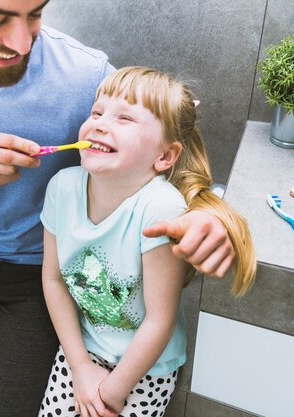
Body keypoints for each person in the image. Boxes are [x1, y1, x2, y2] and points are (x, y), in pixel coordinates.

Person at [0, 1, 244, 417]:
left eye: (34, 13)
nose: (21, 41)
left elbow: (163, 153)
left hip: (41, 275)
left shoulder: (86, 74)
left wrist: (209, 215)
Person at [38, 67, 255, 417]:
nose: (99, 123)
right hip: (84, 349)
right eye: (96, 112)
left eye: (125, 118)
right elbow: (53, 279)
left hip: (147, 367)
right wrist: (79, 367)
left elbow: (159, 319)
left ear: (165, 157)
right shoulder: (61, 188)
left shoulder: (160, 207)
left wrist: (112, 391)